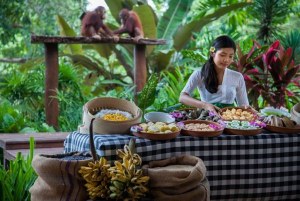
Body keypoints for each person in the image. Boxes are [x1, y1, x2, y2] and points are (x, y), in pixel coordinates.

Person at [179, 35, 249, 113]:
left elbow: (244, 105)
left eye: (230, 56)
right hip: (208, 118)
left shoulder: (237, 77)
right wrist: (205, 105)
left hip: (230, 119)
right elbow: (182, 97)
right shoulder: (199, 74)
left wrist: (247, 108)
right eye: (222, 55)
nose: (226, 60)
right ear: (213, 53)